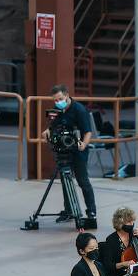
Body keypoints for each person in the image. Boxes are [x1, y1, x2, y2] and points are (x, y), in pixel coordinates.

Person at [41, 84, 96, 222]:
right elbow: (52, 126)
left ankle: (91, 212)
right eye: (55, 100)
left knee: (83, 181)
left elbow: (88, 131)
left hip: (78, 151)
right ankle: (69, 210)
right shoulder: (56, 110)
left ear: (66, 95)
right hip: (63, 151)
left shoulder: (79, 110)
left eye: (60, 99)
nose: (57, 102)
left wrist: (83, 144)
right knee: (66, 181)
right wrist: (47, 131)